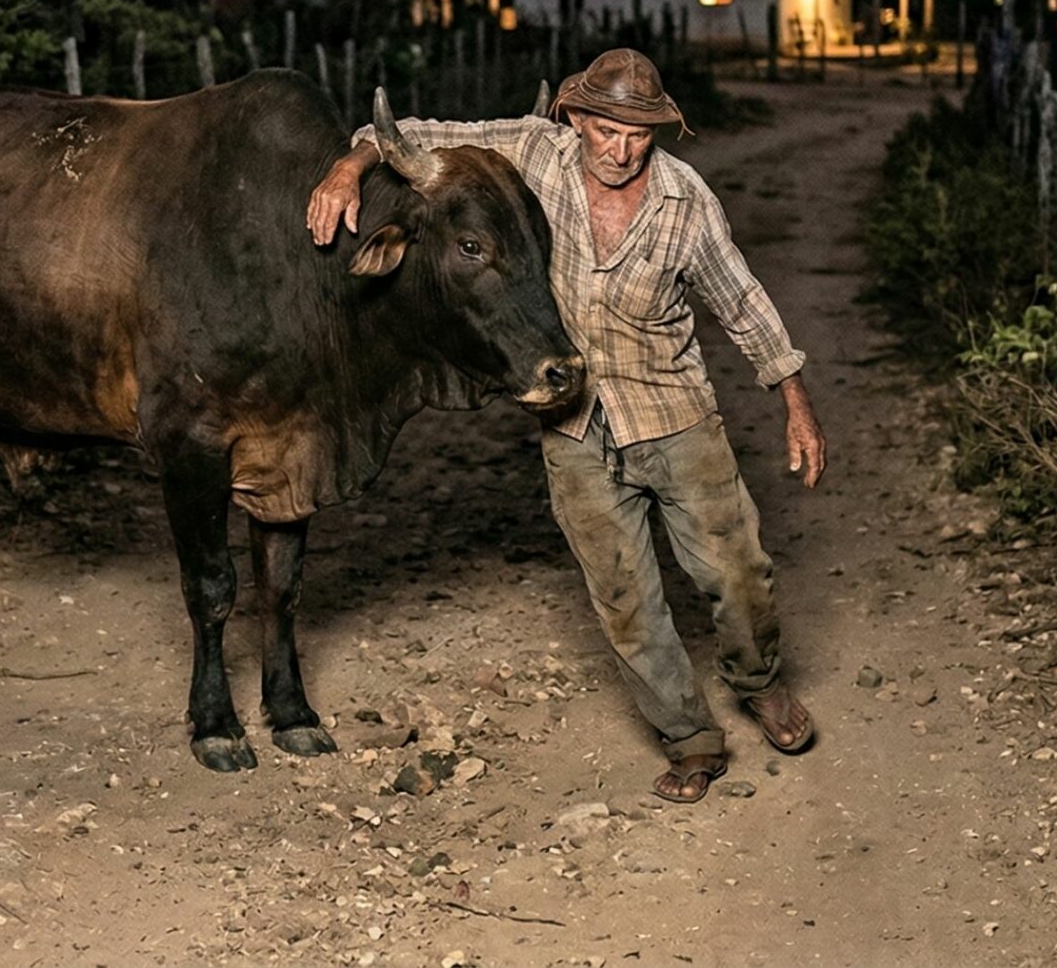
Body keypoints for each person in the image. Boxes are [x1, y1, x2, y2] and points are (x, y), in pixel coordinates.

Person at [304, 47, 827, 803]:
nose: (620, 151)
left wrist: (794, 400)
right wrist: (348, 167)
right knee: (624, 599)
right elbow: (409, 135)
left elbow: (741, 301)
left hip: (675, 415)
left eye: (638, 135)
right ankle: (690, 738)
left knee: (738, 573)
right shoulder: (534, 152)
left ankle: (760, 682)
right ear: (576, 119)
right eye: (607, 131)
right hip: (575, 424)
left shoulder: (685, 201)